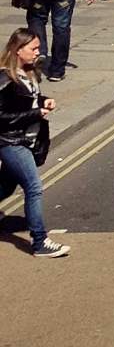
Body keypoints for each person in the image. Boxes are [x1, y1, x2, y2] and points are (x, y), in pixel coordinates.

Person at [0, 28, 68, 257]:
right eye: (34, 48)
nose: (38, 52)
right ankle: (40, 242)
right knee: (34, 187)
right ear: (18, 50)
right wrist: (36, 114)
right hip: (11, 142)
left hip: (26, 139)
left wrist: (43, 100)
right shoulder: (5, 79)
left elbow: (27, 99)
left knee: (6, 186)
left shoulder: (27, 72)